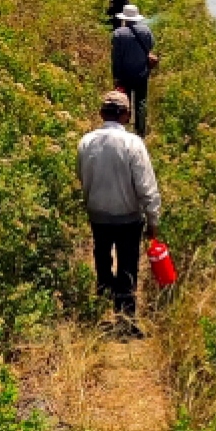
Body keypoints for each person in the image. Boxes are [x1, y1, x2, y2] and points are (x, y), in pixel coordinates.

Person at [77, 90, 162, 327]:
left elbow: (82, 178)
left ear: (102, 113)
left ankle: (102, 302)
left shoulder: (86, 142)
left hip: (98, 215)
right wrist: (153, 220)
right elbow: (147, 187)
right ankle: (125, 318)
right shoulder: (133, 143)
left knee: (102, 258)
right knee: (127, 265)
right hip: (128, 218)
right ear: (126, 115)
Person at [110, 4, 157, 136]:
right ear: (137, 18)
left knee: (124, 102)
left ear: (124, 18)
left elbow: (116, 58)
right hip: (142, 73)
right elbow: (151, 46)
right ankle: (140, 130)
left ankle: (123, 128)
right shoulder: (146, 31)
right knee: (141, 102)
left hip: (124, 75)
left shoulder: (118, 34)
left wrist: (116, 76)